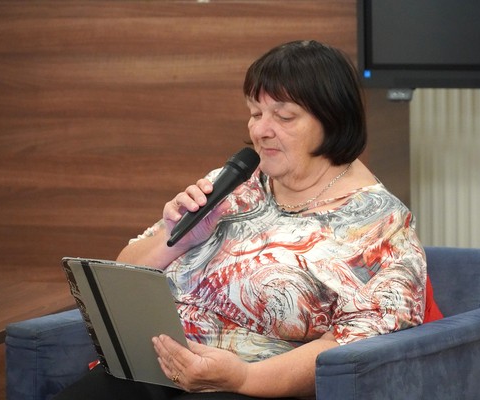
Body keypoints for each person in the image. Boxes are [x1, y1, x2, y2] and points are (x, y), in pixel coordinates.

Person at [54, 40, 441, 400]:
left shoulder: (379, 223)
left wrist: (242, 377)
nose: (260, 130)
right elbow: (122, 277)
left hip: (255, 387)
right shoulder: (234, 184)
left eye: (284, 116)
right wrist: (177, 237)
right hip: (153, 372)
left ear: (333, 119)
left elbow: (356, 349)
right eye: (255, 112)